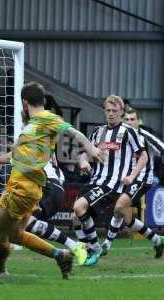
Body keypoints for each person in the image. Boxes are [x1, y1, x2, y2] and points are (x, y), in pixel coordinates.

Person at [0, 82, 101, 278]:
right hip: (31, 187)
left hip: (26, 186)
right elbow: (15, 153)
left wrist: (91, 149)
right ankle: (60, 254)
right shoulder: (33, 126)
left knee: (1, 234)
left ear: (24, 102)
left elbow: (74, 132)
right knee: (15, 234)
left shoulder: (46, 118)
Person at [0, 154, 88, 266]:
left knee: (15, 219)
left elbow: (13, 155)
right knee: (14, 227)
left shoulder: (35, 136)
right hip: (49, 187)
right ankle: (68, 250)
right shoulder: (41, 137)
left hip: (45, 187)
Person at [74, 95, 149, 266]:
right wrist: (84, 161)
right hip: (95, 180)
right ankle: (87, 248)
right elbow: (85, 152)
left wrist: (131, 176)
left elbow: (143, 156)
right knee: (75, 218)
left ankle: (94, 248)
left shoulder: (128, 132)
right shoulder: (98, 132)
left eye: (114, 111)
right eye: (108, 110)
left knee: (79, 207)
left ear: (121, 112)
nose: (111, 114)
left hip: (112, 184)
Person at [99, 109, 164, 257]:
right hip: (124, 179)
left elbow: (162, 148)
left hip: (142, 178)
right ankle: (157, 240)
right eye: (126, 120)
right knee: (125, 217)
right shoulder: (120, 136)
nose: (129, 122)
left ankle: (106, 246)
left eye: (132, 119)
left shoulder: (144, 135)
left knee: (119, 207)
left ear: (138, 122)